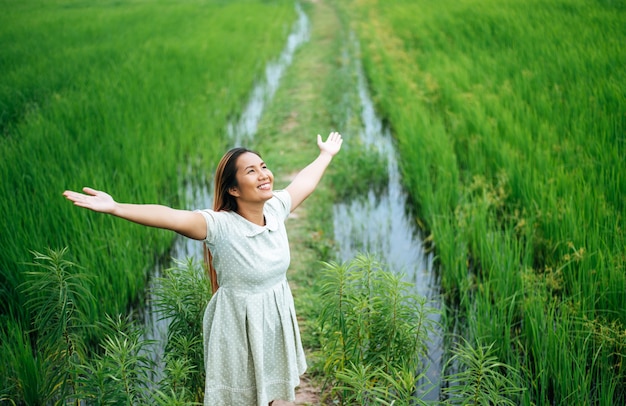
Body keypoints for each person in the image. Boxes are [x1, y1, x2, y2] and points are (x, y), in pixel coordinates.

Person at [63, 132, 343, 406]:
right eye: (251, 171)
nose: (263, 175)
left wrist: (325, 155)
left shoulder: (276, 209)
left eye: (264, 167)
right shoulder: (219, 225)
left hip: (275, 315)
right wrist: (116, 207)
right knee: (243, 397)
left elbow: (304, 182)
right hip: (238, 325)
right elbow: (170, 216)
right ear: (233, 189)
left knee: (279, 392)